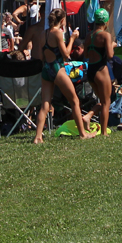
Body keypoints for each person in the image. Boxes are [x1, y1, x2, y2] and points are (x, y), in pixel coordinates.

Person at [33, 8, 93, 144]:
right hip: (57, 67)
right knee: (74, 101)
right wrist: (72, 39)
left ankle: (38, 137)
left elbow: (40, 55)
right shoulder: (58, 33)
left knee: (45, 104)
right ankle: (83, 134)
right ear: (62, 21)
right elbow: (66, 55)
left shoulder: (43, 33)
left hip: (46, 68)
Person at [86, 8, 116, 136]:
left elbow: (86, 53)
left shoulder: (89, 35)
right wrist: (113, 46)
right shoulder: (106, 35)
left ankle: (88, 116)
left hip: (90, 70)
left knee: (104, 100)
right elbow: (109, 55)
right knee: (106, 102)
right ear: (106, 22)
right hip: (100, 70)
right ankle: (104, 132)